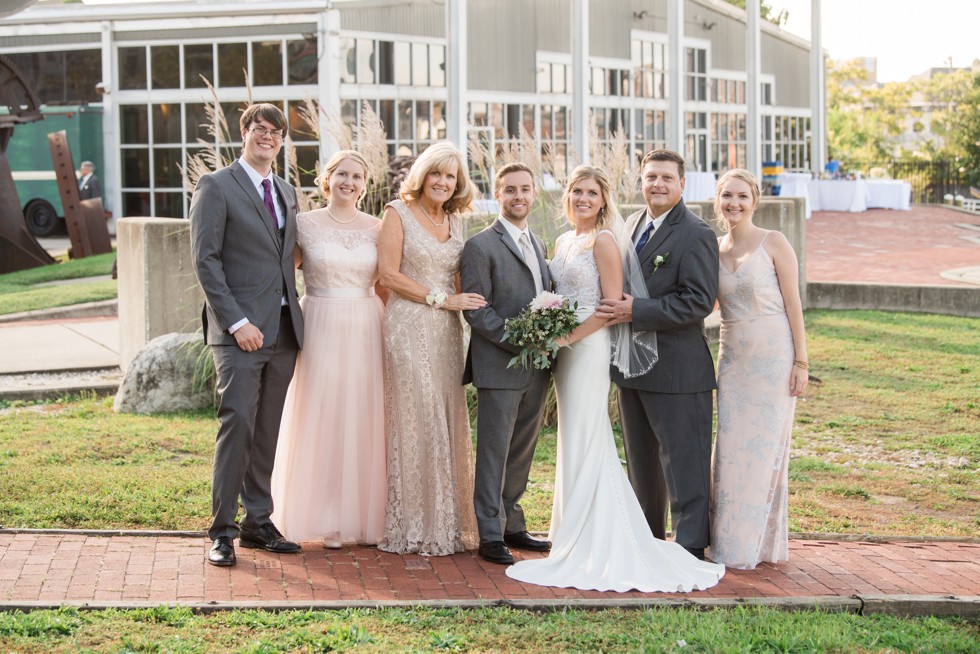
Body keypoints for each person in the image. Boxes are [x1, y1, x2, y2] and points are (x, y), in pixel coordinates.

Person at [505, 166, 724, 592]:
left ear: (604, 199)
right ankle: (574, 532)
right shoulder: (567, 240)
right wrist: (546, 332)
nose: (582, 199)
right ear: (564, 196)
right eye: (575, 191)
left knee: (593, 439)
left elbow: (610, 306)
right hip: (565, 355)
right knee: (577, 440)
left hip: (586, 350)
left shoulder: (607, 239)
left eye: (591, 192)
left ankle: (617, 538)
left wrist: (563, 338)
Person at [190, 103, 305, 567]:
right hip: (239, 333)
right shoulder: (216, 186)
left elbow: (288, 255)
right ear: (244, 133)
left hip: (283, 330)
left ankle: (258, 521)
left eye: (276, 133)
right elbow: (206, 260)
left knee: (267, 430)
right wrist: (237, 322)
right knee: (236, 426)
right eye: (260, 129)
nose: (268, 137)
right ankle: (222, 531)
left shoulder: (286, 189)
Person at [597, 149, 720, 561]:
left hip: (678, 369)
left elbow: (698, 302)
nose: (658, 184)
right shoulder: (631, 225)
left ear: (682, 184)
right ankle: (646, 543)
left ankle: (689, 548)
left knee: (684, 463)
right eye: (651, 177)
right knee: (642, 466)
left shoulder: (696, 233)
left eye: (667, 178)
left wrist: (638, 311)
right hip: (632, 368)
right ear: (641, 181)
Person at [270, 150, 387, 548]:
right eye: (341, 174)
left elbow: (386, 281)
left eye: (356, 176)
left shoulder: (378, 227)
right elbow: (282, 269)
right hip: (318, 320)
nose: (348, 182)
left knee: (363, 414)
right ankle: (325, 516)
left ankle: (364, 516)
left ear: (365, 184)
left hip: (367, 323)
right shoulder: (303, 224)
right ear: (326, 178)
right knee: (322, 413)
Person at [377, 141, 485, 556]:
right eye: (437, 173)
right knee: (417, 415)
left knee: (446, 414)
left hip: (447, 330)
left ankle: (449, 522)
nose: (443, 181)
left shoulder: (457, 221)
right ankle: (416, 523)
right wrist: (441, 300)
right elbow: (388, 275)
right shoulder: (397, 212)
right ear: (422, 175)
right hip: (409, 324)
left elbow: (460, 279)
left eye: (451, 176)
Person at [710, 169, 808, 569]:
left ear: (755, 201)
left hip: (773, 358)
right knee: (730, 451)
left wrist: (801, 360)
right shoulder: (712, 249)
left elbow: (794, 304)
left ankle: (755, 547)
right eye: (727, 196)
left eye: (742, 197)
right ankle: (727, 542)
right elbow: (707, 307)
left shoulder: (774, 242)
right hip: (732, 359)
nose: (734, 204)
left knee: (763, 452)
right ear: (718, 200)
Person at [461, 162, 553, 565]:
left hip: (538, 366)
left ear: (534, 194)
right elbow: (477, 312)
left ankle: (513, 521)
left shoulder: (540, 243)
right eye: (510, 189)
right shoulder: (479, 246)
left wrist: (544, 343)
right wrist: (522, 342)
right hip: (500, 362)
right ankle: (490, 532)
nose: (519, 196)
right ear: (497, 195)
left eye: (525, 189)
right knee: (494, 450)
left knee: (522, 449)